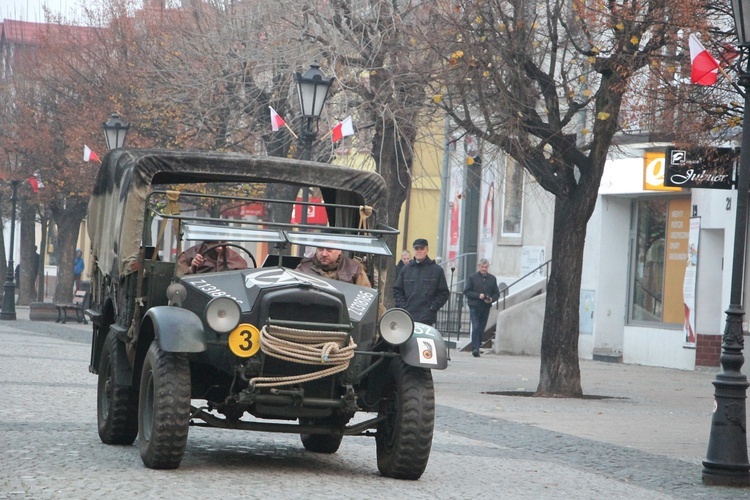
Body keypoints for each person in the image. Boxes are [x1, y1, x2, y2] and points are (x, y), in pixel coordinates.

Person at [393, 238, 449, 326]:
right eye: (416, 249)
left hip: (427, 317)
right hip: (408, 316)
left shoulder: (437, 270)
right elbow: (397, 290)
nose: (419, 251)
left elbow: (443, 293)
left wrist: (433, 307)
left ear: (427, 250)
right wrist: (404, 307)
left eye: (422, 249)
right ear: (413, 250)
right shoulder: (405, 270)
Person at [463, 259, 501, 358]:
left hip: (485, 306)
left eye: (486, 267)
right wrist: (478, 295)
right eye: (482, 267)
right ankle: (475, 348)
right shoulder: (472, 278)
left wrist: (492, 299)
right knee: (475, 326)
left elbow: (497, 293)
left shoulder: (492, 279)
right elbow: (467, 291)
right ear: (478, 266)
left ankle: (477, 345)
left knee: (481, 328)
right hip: (474, 305)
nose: (484, 269)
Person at [296, 247, 371, 287]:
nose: (324, 254)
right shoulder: (303, 268)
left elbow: (366, 300)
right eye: (320, 249)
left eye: (329, 250)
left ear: (339, 250)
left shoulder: (355, 269)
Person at [176, 241, 248, 276]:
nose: (220, 247)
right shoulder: (190, 254)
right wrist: (192, 268)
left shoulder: (236, 259)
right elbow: (178, 276)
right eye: (215, 243)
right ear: (207, 243)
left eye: (223, 242)